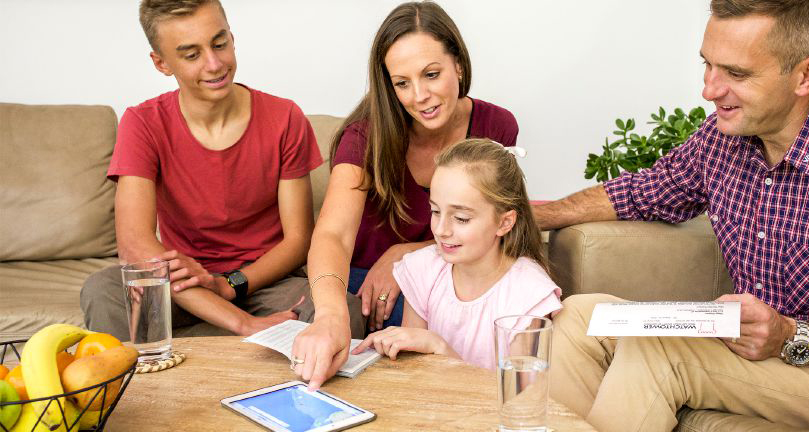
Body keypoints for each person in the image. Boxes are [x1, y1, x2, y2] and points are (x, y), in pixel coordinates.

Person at [533, 0, 809, 430]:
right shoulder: (724, 139)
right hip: (758, 360)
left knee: (661, 351)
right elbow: (642, 191)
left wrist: (794, 337)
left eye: (736, 74)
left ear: (807, 74)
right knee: (581, 318)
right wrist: (530, 215)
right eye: (708, 65)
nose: (709, 90)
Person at [81, 0, 363, 339]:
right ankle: (205, 354)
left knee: (340, 309)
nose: (214, 64)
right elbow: (136, 246)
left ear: (232, 37)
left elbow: (299, 240)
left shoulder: (285, 118)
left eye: (219, 43)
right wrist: (240, 322)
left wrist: (229, 287)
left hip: (265, 283)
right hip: (184, 287)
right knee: (104, 290)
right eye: (191, 55)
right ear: (161, 63)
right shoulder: (142, 123)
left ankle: (226, 347)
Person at [291, 1, 519, 390]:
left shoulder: (496, 125)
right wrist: (330, 314)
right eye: (402, 83)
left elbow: (495, 225)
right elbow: (333, 235)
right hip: (365, 285)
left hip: (453, 276)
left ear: (459, 65)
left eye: (432, 74)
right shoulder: (364, 137)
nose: (420, 96)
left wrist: (408, 254)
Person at [349, 139, 562, 369]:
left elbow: (518, 396)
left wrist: (440, 348)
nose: (441, 230)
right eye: (435, 211)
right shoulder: (423, 269)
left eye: (461, 218)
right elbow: (413, 373)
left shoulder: (528, 294)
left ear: (504, 222)